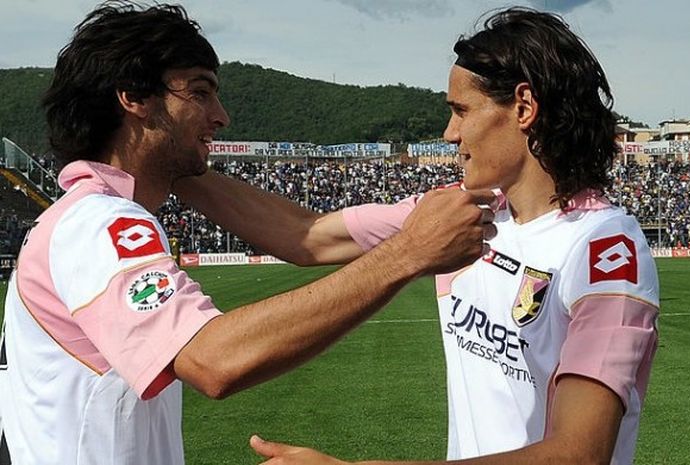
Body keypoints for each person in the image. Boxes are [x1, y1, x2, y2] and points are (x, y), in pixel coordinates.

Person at [0, 3, 496, 464]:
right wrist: (405, 256)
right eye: (198, 92)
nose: (221, 115)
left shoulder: (87, 210)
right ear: (132, 97)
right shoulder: (100, 222)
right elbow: (213, 360)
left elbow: (304, 234)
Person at [174, 7, 659, 465]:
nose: (450, 133)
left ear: (524, 107)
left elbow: (578, 454)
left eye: (461, 110)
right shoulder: (458, 211)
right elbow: (307, 236)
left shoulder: (604, 249)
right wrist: (168, 159)